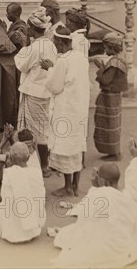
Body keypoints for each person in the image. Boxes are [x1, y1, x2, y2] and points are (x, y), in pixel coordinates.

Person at [51, 163, 137, 268]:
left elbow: (83, 213)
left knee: (70, 236)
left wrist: (94, 186)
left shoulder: (100, 194)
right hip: (123, 243)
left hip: (106, 247)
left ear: (103, 181)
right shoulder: (127, 195)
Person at [41, 26, 90, 197]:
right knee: (77, 146)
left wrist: (49, 69)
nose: (55, 45)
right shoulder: (81, 57)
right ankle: (76, 186)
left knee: (66, 147)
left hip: (66, 109)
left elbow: (55, 86)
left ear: (62, 42)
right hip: (79, 108)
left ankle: (68, 186)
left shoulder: (63, 60)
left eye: (55, 42)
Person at [15, 7, 58, 177]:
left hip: (35, 92)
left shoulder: (35, 47)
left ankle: (42, 166)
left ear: (32, 29)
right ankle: (42, 162)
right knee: (43, 129)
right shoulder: (51, 45)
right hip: (45, 91)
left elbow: (21, 64)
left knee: (35, 131)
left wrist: (24, 44)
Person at [0, 142, 46, 243]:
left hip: (12, 231)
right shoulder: (36, 172)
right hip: (34, 229)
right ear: (28, 158)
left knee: (2, 208)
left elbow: (5, 198)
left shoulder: (9, 173)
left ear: (12, 158)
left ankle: (15, 227)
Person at [92, 32, 128, 161]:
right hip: (113, 97)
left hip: (110, 97)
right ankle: (113, 151)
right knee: (111, 123)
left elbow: (106, 80)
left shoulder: (114, 63)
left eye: (106, 48)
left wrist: (100, 67)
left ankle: (114, 153)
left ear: (112, 48)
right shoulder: (119, 60)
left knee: (110, 124)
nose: (105, 50)